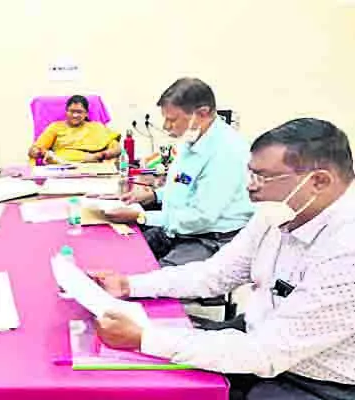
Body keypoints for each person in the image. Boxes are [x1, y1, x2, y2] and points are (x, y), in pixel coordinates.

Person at [92, 118, 355, 400]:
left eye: (263, 177)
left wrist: (143, 337)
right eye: (251, 174)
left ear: (318, 181)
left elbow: (267, 353)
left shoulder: (345, 250)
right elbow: (216, 274)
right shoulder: (278, 213)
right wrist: (129, 285)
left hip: (315, 380)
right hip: (261, 338)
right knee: (153, 368)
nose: (251, 188)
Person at [104, 78, 253, 266]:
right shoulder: (194, 139)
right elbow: (184, 184)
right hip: (177, 226)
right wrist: (152, 196)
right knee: (123, 255)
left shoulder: (227, 152)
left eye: (172, 120)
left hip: (210, 238)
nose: (166, 126)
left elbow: (202, 217)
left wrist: (141, 216)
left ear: (202, 113)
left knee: (152, 282)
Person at [28, 95, 121, 164]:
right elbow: (36, 148)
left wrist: (107, 154)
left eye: (79, 112)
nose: (75, 115)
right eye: (72, 111)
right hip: (63, 165)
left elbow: (116, 147)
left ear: (86, 114)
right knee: (57, 157)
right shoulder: (55, 127)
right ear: (66, 112)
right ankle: (89, 158)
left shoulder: (97, 127)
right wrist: (34, 152)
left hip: (94, 166)